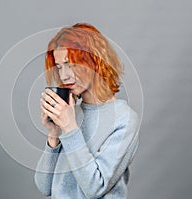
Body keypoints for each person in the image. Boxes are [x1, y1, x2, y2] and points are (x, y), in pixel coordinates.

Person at [35, 23, 140, 199]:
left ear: (94, 62)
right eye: (59, 67)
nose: (64, 75)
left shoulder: (124, 119)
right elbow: (44, 186)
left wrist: (70, 129)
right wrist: (53, 135)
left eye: (70, 64)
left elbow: (94, 188)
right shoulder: (70, 114)